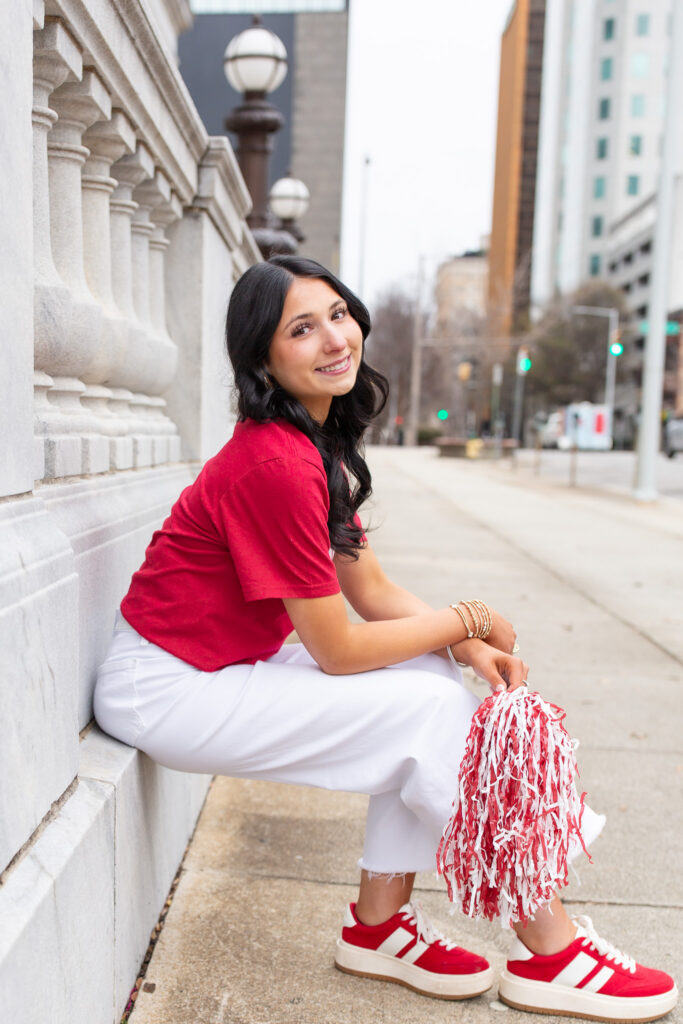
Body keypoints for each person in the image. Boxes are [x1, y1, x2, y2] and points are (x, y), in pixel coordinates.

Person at [94, 256, 677, 1022]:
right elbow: (337, 648)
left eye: (338, 314)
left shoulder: (313, 444)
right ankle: (551, 947)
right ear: (261, 359)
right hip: (168, 687)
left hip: (212, 665)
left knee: (433, 684)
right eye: (301, 329)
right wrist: (466, 618)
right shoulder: (272, 462)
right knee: (424, 714)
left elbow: (367, 592)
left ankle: (377, 928)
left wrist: (459, 646)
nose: (334, 338)